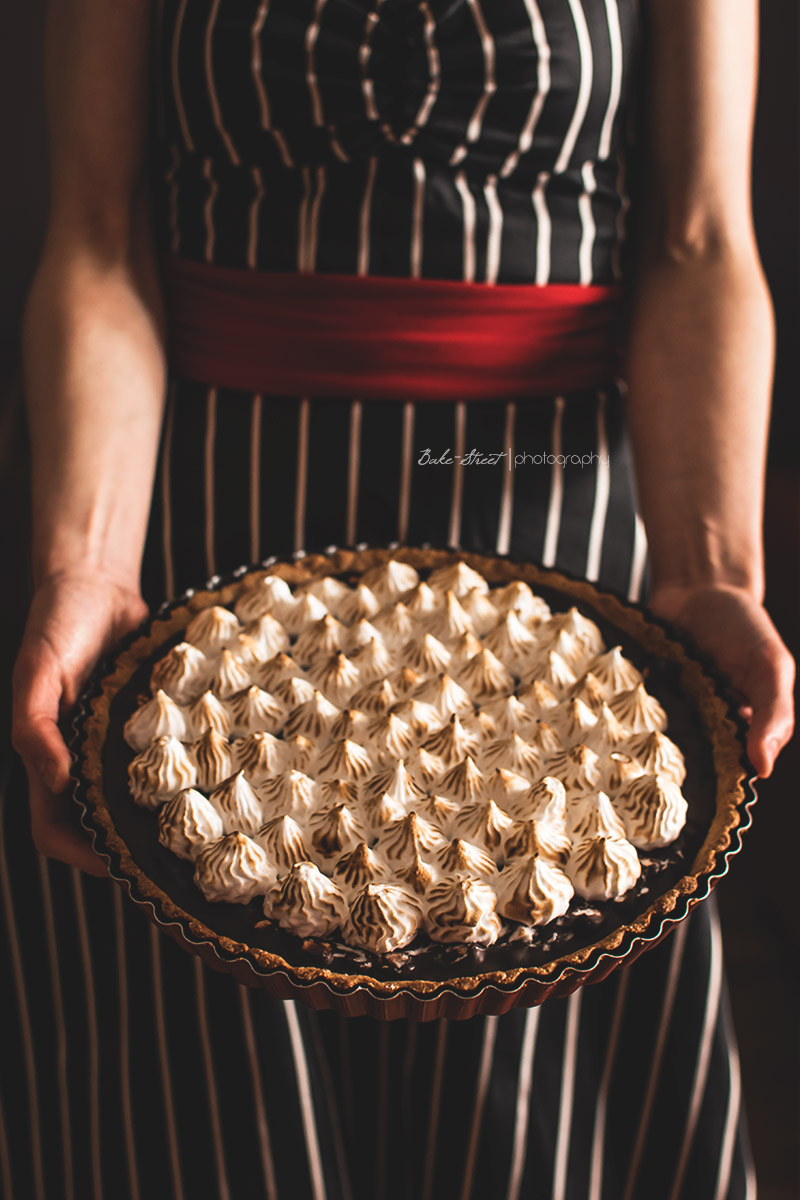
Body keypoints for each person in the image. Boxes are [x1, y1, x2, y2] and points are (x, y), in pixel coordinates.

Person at [7, 0, 794, 1197]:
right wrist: (92, 563)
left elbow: (697, 242)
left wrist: (706, 571)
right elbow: (99, 234)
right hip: (204, 558)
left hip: (551, 544)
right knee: (205, 1121)